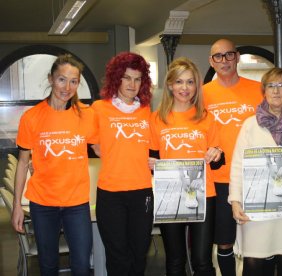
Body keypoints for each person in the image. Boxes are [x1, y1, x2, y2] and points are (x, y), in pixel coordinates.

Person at [11, 54, 95, 275]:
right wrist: (17, 205)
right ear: (50, 79)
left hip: (77, 203)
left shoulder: (86, 115)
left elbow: (103, 148)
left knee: (82, 266)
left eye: (73, 81)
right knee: (48, 266)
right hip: (42, 203)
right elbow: (22, 163)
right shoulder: (31, 117)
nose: (67, 87)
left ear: (78, 83)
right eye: (61, 79)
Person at [229, 67, 282, 276]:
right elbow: (238, 165)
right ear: (264, 91)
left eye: (281, 85)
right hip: (257, 205)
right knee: (253, 261)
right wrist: (236, 201)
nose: (276, 91)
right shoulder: (250, 125)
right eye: (271, 86)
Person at [149, 57, 222, 275]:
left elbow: (218, 161)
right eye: (179, 82)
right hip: (170, 194)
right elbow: (151, 157)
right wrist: (151, 164)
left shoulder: (207, 118)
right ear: (170, 85)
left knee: (202, 261)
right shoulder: (157, 119)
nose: (185, 88)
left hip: (204, 193)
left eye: (190, 82)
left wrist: (216, 154)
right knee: (175, 261)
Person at [203, 38, 263, 276]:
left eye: (229, 55)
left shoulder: (257, 89)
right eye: (218, 56)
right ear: (211, 61)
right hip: (217, 178)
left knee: (254, 240)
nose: (224, 60)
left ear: (237, 57)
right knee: (224, 240)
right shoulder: (202, 93)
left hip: (253, 176)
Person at [90, 52, 154, 275]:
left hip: (142, 192)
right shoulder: (98, 109)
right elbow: (81, 141)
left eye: (137, 79)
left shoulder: (147, 112)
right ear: (116, 78)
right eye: (127, 78)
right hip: (110, 193)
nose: (132, 84)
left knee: (139, 253)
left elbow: (156, 146)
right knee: (117, 254)